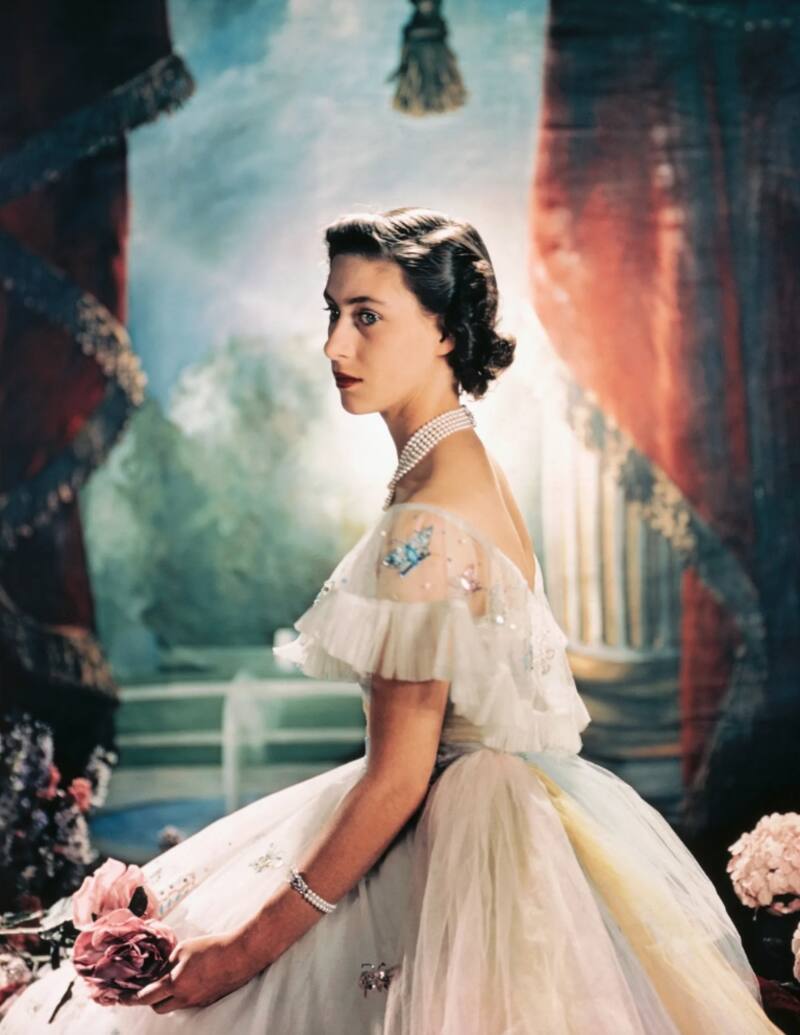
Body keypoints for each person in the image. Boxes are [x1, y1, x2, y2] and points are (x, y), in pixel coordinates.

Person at [0, 207, 782, 1034]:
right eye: (332, 312)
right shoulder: (463, 466)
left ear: (444, 330)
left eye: (367, 316)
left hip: (461, 844)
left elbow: (398, 777)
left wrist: (239, 950)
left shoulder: (428, 519)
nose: (335, 344)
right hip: (497, 819)